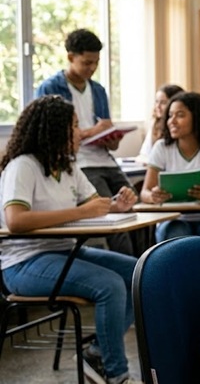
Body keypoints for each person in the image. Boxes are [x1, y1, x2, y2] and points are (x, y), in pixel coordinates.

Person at [0, 95, 140, 384]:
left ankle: (96, 354)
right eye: (74, 125)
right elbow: (15, 220)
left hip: (64, 253)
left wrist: (116, 204)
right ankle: (117, 374)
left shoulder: (67, 167)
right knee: (111, 286)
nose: (80, 132)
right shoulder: (22, 166)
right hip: (23, 264)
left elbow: (95, 205)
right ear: (53, 130)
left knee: (138, 272)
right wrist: (81, 211)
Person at [35, 29, 136, 256]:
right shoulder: (50, 89)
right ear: (71, 57)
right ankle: (130, 271)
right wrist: (94, 131)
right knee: (111, 217)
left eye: (96, 63)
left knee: (134, 207)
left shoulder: (98, 90)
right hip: (80, 162)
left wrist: (112, 137)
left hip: (105, 160)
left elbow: (110, 144)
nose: (92, 68)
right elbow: (49, 136)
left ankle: (141, 266)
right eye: (87, 62)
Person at [139, 92, 200, 242]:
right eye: (170, 115)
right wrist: (153, 196)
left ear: (198, 118)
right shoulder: (161, 148)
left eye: (180, 115)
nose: (171, 121)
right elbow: (144, 193)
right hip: (173, 218)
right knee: (176, 233)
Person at [136, 83, 185, 164]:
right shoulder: (155, 125)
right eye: (156, 102)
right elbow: (144, 154)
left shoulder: (180, 126)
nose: (157, 106)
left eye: (163, 103)